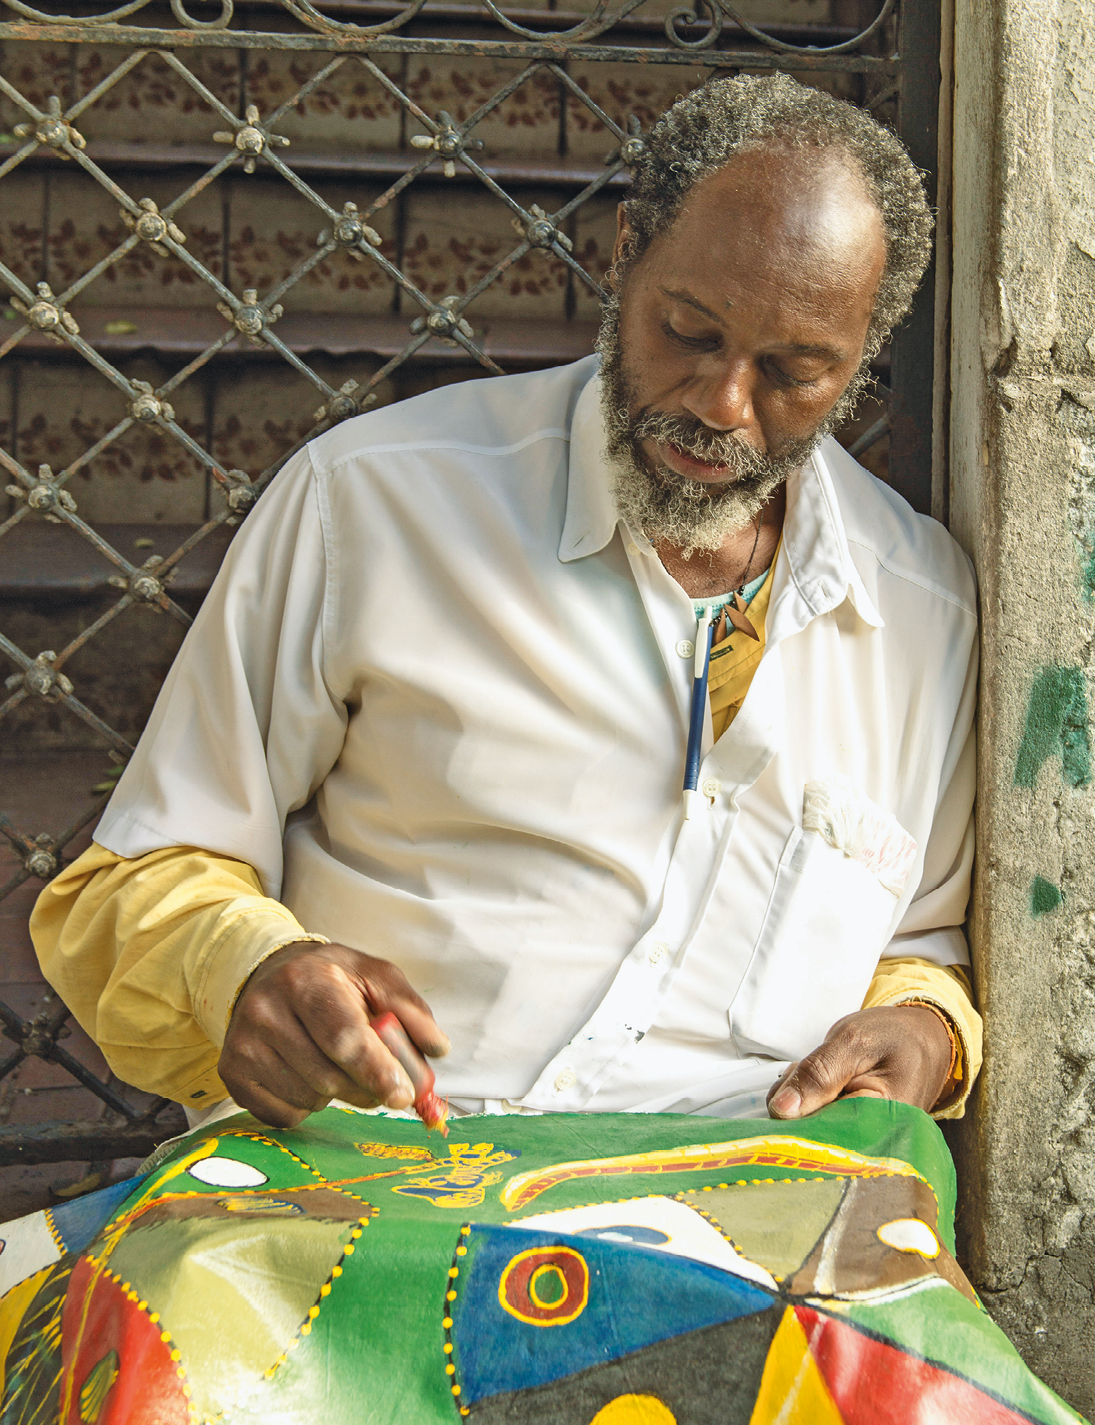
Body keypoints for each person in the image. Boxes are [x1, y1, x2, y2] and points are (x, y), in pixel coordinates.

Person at [31, 73, 981, 1137]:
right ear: (623, 255)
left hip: (741, 1216)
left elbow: (923, 948)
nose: (722, 406)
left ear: (859, 363)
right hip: (374, 1173)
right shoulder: (372, 501)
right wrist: (250, 967)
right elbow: (137, 879)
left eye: (792, 373)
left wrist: (929, 1035)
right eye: (688, 332)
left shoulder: (924, 610)